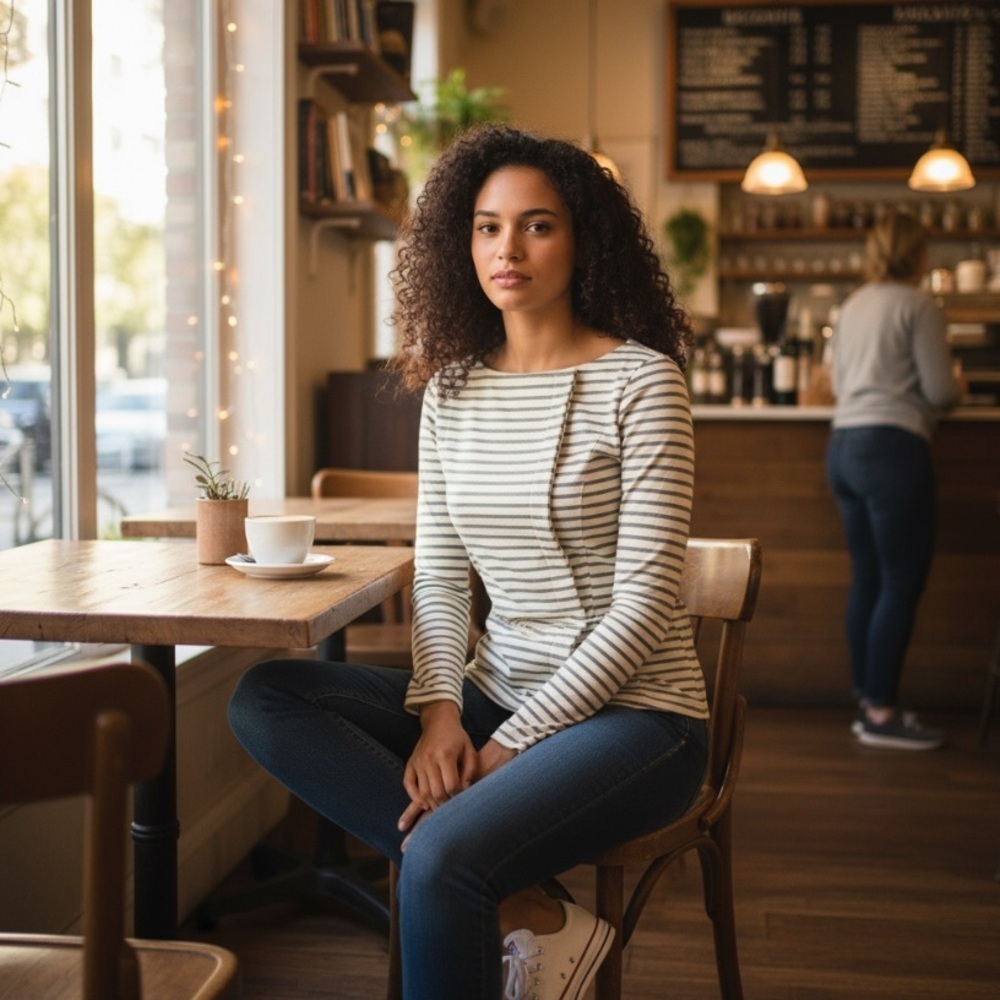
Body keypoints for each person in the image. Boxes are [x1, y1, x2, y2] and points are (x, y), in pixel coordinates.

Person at [228, 124, 708, 999]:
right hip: (497, 689)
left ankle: (481, 870)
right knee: (269, 696)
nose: (507, 249)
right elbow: (443, 573)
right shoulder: (451, 387)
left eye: (537, 225)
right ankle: (533, 908)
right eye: (486, 226)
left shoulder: (644, 383)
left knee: (441, 855)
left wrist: (509, 747)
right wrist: (442, 712)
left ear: (583, 239)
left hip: (640, 717)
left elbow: (643, 608)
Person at [826, 210, 963, 751]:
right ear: (920, 255)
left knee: (868, 576)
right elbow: (941, 393)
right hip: (892, 449)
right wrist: (958, 380)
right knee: (901, 581)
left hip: (843, 449)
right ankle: (881, 713)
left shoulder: (855, 303)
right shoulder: (918, 303)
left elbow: (837, 380)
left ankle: (867, 698)